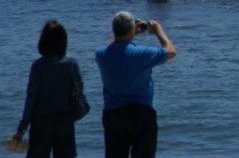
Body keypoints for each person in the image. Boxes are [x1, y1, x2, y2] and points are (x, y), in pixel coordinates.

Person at [95, 12, 176, 158]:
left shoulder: (100, 54)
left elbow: (112, 46)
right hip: (142, 113)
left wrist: (130, 34)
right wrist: (159, 32)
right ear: (131, 30)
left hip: (113, 114)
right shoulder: (141, 54)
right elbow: (170, 52)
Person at [9, 20, 87, 158]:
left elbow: (31, 98)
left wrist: (21, 129)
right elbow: (79, 91)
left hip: (41, 122)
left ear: (43, 41)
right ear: (64, 41)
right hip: (65, 121)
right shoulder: (71, 64)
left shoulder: (38, 66)